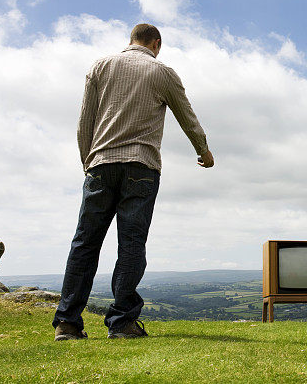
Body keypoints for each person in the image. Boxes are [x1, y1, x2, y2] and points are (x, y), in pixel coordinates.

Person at [53, 23, 214, 341]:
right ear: (157, 43)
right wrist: (203, 151)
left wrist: (89, 162)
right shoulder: (162, 73)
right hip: (142, 166)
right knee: (130, 244)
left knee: (85, 243)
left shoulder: (101, 66)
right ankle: (123, 323)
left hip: (100, 163)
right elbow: (187, 117)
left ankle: (68, 324)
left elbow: (84, 121)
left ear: (131, 41)